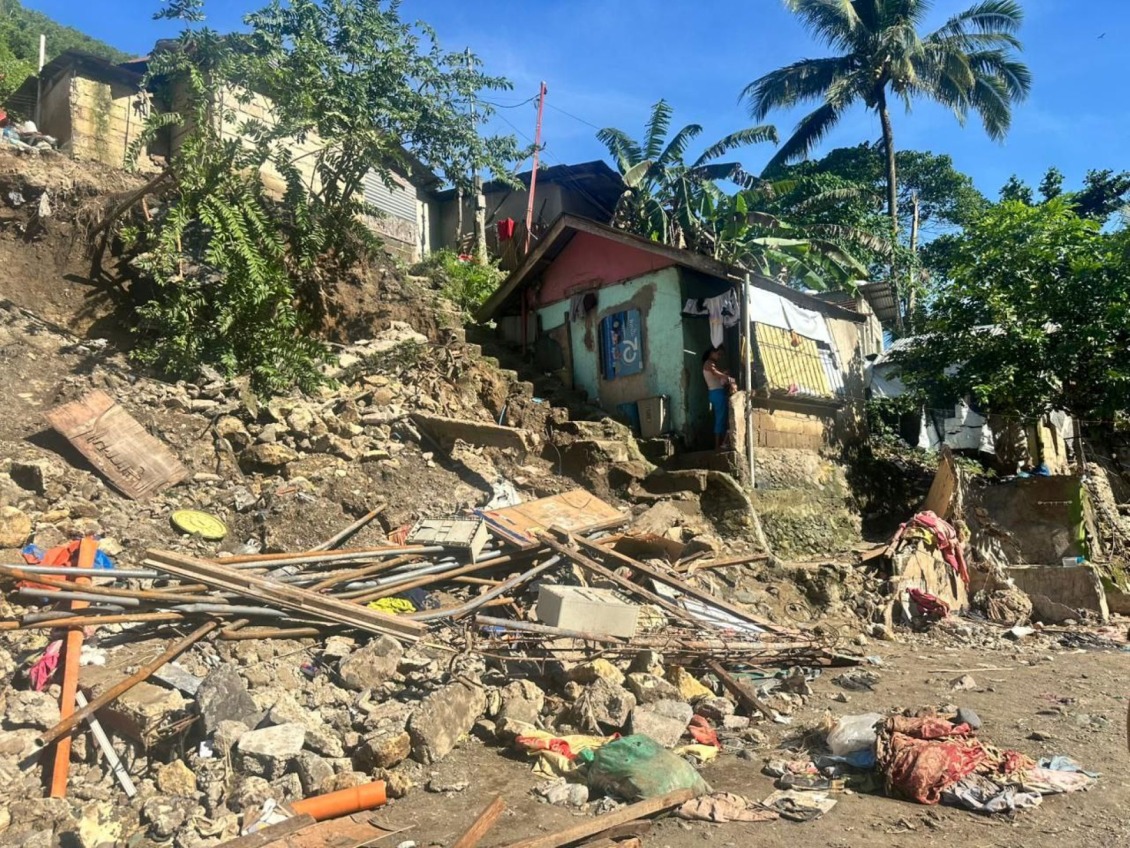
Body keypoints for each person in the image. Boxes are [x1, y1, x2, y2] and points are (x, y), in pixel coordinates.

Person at [702, 346, 735, 450]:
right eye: (719, 354)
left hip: (715, 393)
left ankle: (721, 443)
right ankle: (717, 446)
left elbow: (716, 375)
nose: (719, 357)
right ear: (712, 352)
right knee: (720, 419)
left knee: (721, 418)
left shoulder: (710, 364)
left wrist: (724, 375)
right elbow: (715, 373)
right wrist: (726, 377)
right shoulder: (709, 363)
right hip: (717, 393)